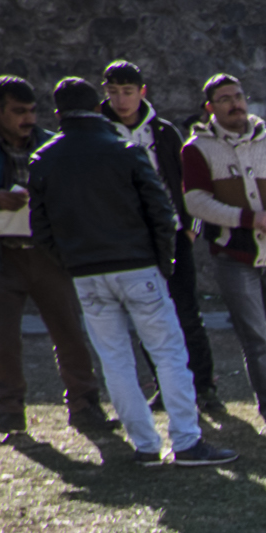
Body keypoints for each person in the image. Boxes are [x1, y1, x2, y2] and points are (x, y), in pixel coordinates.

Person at [27, 78, 235, 467]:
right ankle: (187, 441)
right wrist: (164, 260)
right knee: (170, 354)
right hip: (137, 265)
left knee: (116, 360)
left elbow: (41, 228)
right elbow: (161, 211)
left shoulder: (45, 159)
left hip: (86, 271)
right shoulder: (124, 151)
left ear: (57, 114)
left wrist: (71, 261)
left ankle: (144, 445)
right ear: (97, 107)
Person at [0, 75, 105, 440]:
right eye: (18, 111)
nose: (27, 118)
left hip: (47, 254)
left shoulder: (49, 143)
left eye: (31, 111)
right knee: (1, 339)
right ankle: (9, 409)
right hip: (0, 255)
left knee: (70, 333)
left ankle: (85, 404)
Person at [180, 73, 266, 436]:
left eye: (238, 97)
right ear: (210, 108)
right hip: (234, 259)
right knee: (257, 340)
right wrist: (246, 219)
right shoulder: (197, 150)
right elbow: (196, 201)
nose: (235, 104)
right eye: (225, 99)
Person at [101, 60, 217, 412]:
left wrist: (191, 229)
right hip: (129, 239)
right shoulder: (100, 133)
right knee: (145, 316)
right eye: (114, 92)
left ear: (142, 92)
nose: (121, 101)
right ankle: (166, 386)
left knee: (186, 312)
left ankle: (203, 386)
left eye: (128, 92)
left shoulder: (164, 132)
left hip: (173, 233)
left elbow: (184, 182)